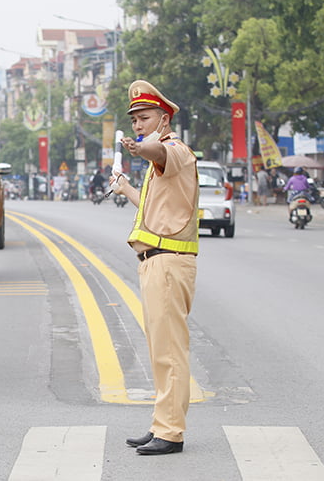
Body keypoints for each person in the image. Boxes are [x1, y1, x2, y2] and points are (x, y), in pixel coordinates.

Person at [109, 80, 199, 455]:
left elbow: (155, 151)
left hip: (167, 263)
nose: (138, 126)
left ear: (164, 119)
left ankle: (171, 432)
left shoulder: (175, 150)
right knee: (159, 350)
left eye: (144, 118)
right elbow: (154, 212)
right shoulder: (159, 162)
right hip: (155, 261)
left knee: (170, 351)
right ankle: (162, 424)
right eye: (134, 122)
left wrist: (138, 148)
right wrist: (126, 188)